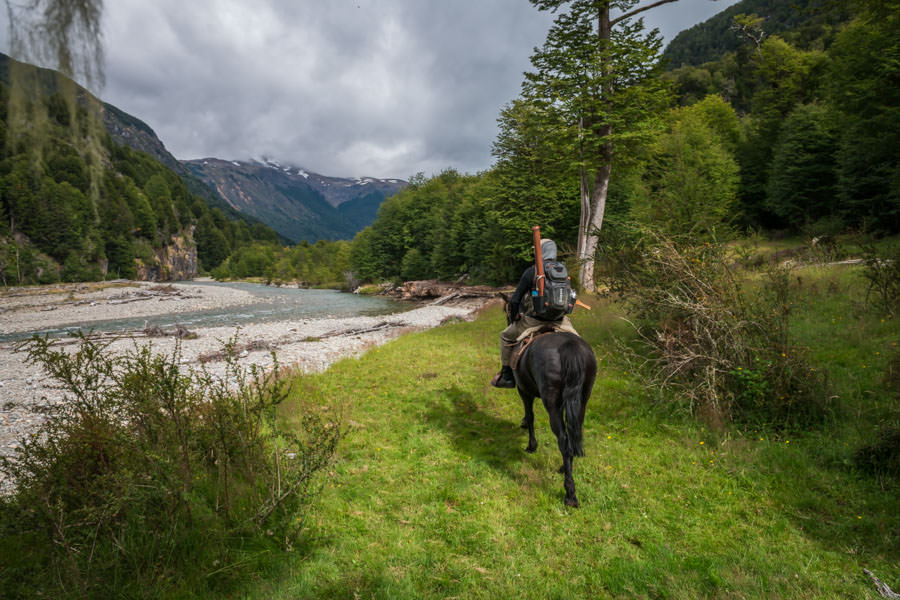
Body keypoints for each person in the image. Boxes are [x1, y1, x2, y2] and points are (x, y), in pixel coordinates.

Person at [492, 238, 578, 388]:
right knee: (578, 343)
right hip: (560, 321)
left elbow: (514, 301)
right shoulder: (563, 270)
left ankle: (507, 376)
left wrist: (515, 318)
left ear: (540, 252)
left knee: (505, 336)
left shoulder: (532, 271)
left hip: (534, 321)